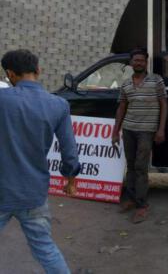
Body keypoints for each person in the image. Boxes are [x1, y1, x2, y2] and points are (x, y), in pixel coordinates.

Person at [0, 49, 80, 274]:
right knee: (45, 248)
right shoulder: (58, 105)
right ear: (38, 70)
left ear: (10, 74)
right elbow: (69, 152)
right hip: (33, 193)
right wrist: (71, 181)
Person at [112, 48, 167, 224]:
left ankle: (142, 205)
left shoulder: (156, 80)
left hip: (147, 130)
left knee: (141, 167)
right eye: (135, 60)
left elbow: (164, 105)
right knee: (131, 166)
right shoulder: (126, 84)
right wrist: (115, 131)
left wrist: (161, 129)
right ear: (131, 63)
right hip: (128, 129)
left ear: (146, 62)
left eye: (141, 60)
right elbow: (121, 108)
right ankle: (130, 199)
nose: (138, 63)